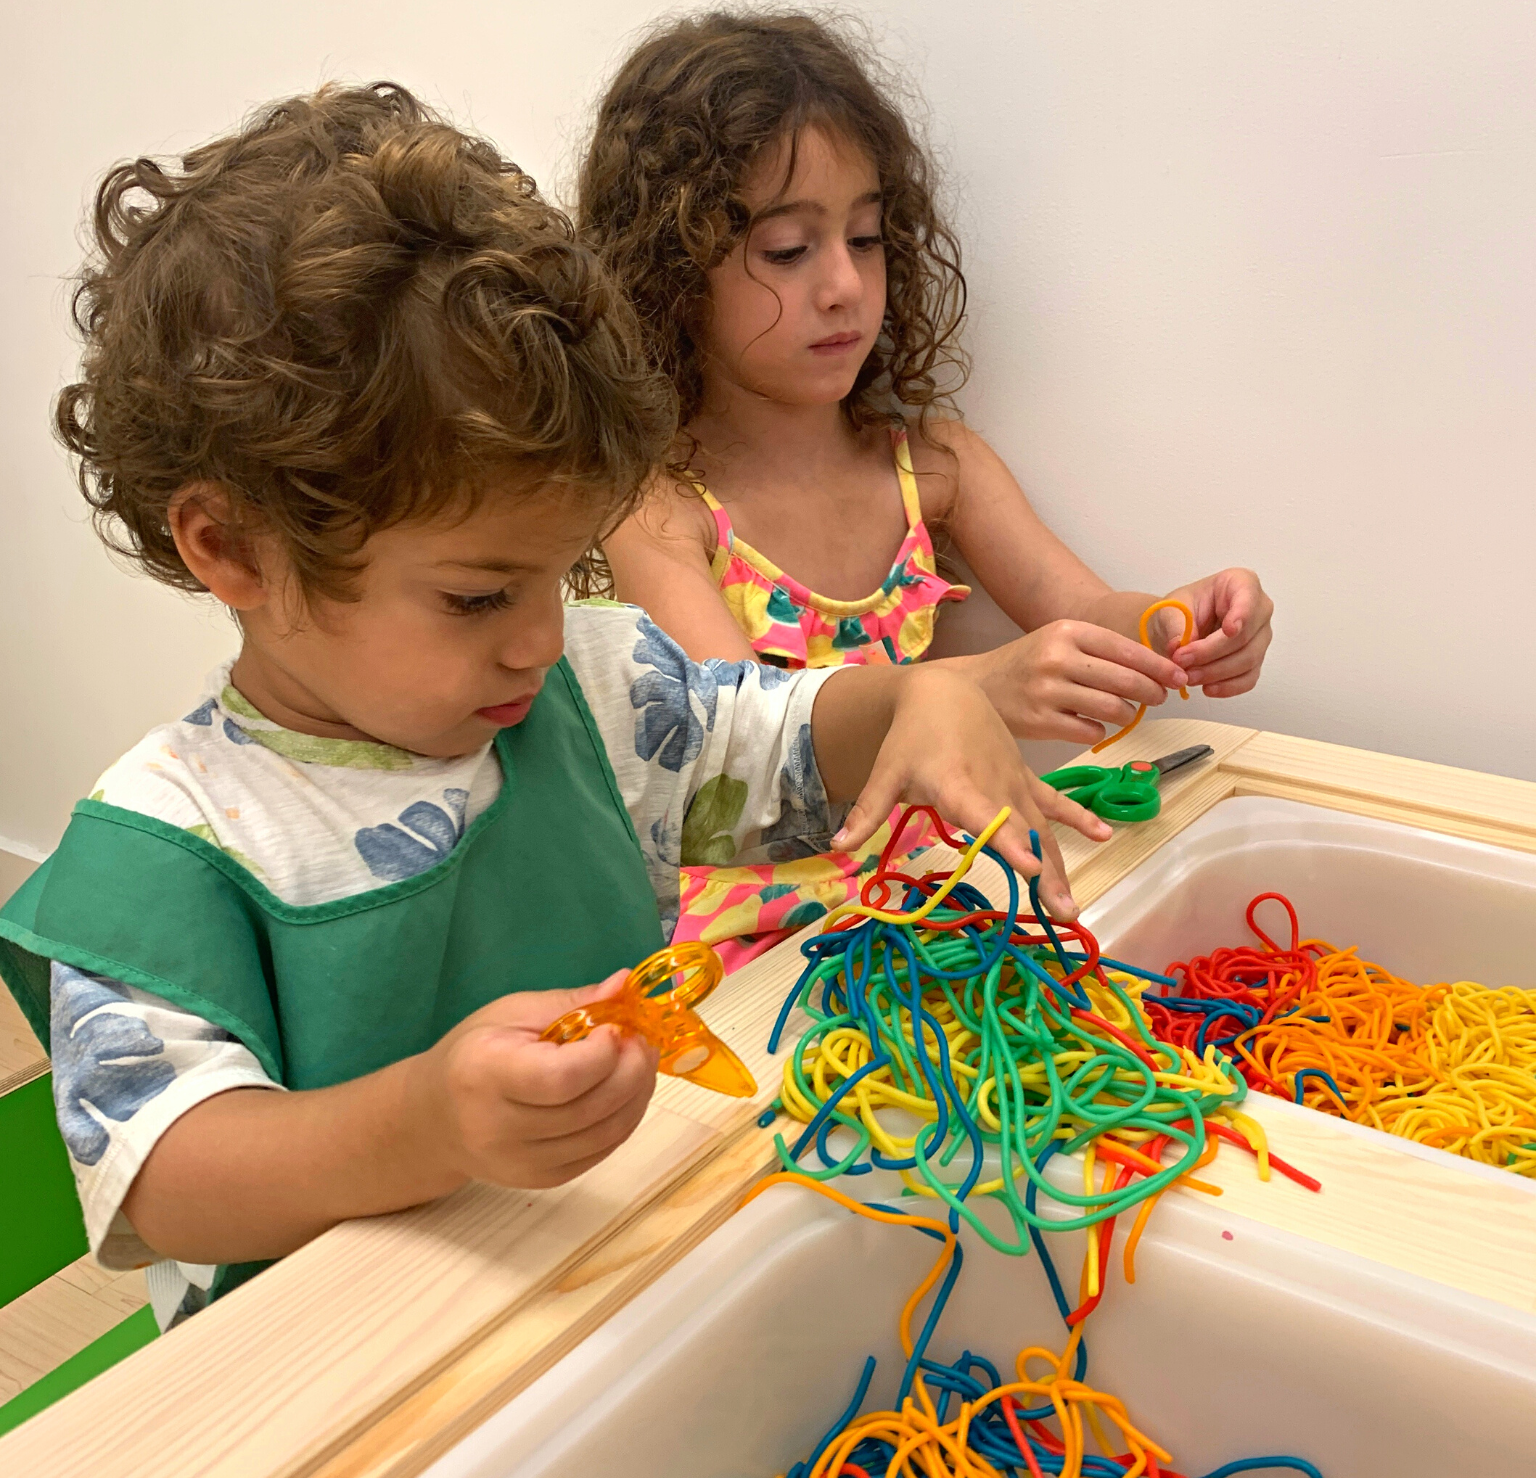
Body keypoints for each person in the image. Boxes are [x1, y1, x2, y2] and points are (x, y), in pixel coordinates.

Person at [0, 82, 1103, 1329]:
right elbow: (165, 1183)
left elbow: (777, 739)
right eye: (476, 596)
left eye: (560, 572)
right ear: (235, 549)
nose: (539, 637)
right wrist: (425, 1123)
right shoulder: (166, 841)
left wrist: (916, 701)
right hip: (342, 1373)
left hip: (600, 1290)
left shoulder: (590, 685)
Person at [578, 9, 1274, 961]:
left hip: (931, 904)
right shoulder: (657, 508)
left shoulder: (935, 466)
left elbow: (1084, 614)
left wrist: (1178, 626)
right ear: (672, 272)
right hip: (753, 947)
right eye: (788, 250)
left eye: (865, 239)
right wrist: (979, 685)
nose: (844, 285)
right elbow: (740, 747)